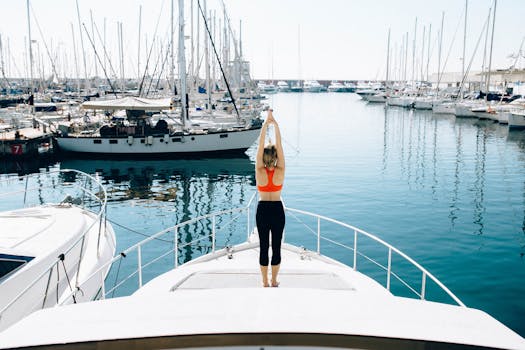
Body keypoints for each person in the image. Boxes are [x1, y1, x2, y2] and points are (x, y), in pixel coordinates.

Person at [255, 108, 285, 287]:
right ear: (275, 157)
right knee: (277, 246)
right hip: (277, 209)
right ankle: (274, 281)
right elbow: (280, 146)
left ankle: (264, 281)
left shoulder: (259, 172)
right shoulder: (280, 171)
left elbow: (259, 146)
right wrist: (275, 124)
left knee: (264, 246)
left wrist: (266, 124)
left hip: (262, 210)